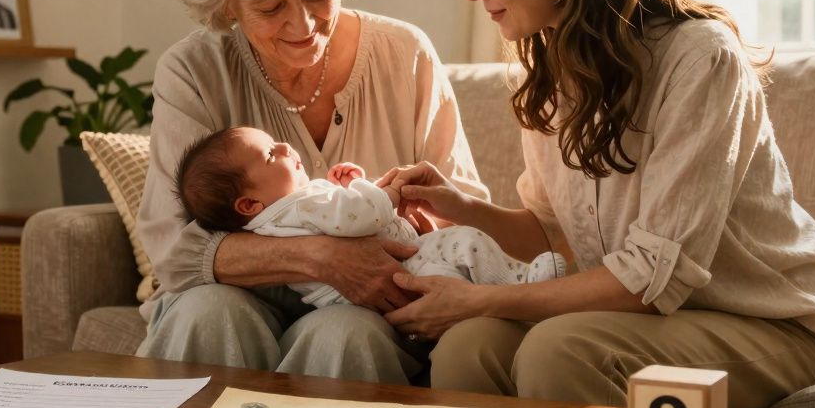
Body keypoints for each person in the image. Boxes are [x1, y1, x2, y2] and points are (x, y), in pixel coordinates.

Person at [378, 0, 815, 408]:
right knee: (468, 348)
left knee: (558, 351)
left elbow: (649, 280)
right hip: (643, 319)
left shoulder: (699, 60)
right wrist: (462, 208)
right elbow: (558, 234)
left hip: (767, 326)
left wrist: (479, 297)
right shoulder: (551, 67)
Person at [135, 0, 486, 384]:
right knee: (210, 313)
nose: (301, 25)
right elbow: (174, 251)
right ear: (228, 3)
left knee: (348, 332)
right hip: (228, 298)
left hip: (371, 312)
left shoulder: (405, 54)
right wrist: (321, 257)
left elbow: (465, 212)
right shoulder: (194, 71)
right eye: (270, 7)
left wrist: (415, 220)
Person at [175, 126, 564, 307]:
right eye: (269, 154)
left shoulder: (280, 217)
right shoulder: (297, 206)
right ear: (248, 205)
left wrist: (348, 186)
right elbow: (362, 218)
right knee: (465, 243)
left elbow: (341, 215)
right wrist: (386, 193)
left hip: (386, 276)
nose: (282, 145)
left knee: (450, 274)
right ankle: (521, 284)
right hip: (398, 269)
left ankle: (502, 300)